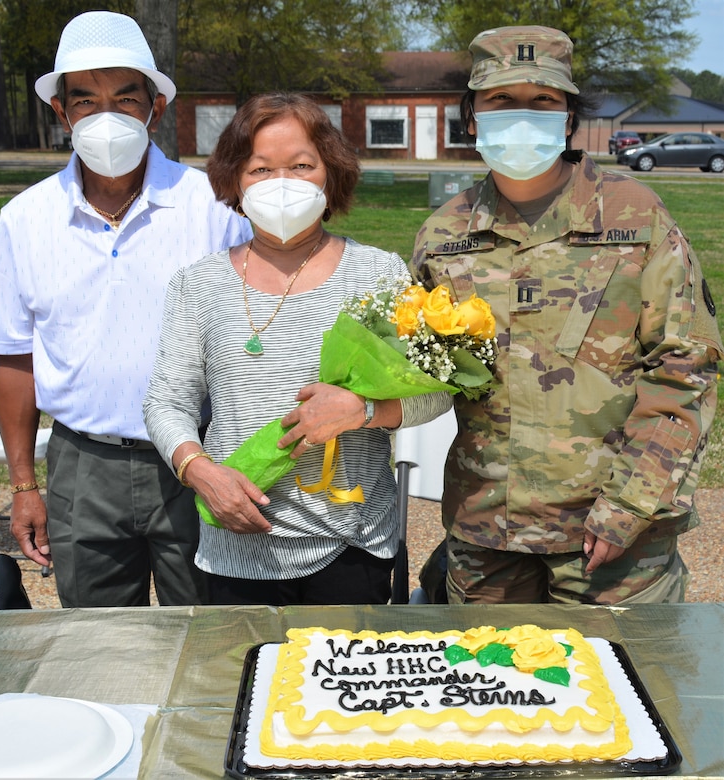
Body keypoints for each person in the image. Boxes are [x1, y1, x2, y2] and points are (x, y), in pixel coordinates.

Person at [411, 25, 723, 605]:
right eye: (502, 100)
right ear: (472, 117)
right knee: (482, 687)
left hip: (611, 541)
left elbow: (687, 368)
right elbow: (426, 376)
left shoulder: (636, 217)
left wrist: (632, 503)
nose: (522, 116)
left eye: (544, 101)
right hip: (486, 537)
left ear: (569, 118)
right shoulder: (443, 236)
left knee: (625, 687)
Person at [0, 11, 252, 607]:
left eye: (125, 98)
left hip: (199, 457)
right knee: (99, 648)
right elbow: (13, 356)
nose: (106, 117)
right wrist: (24, 484)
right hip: (83, 463)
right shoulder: (24, 220)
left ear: (154, 106)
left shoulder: (210, 205)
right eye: (86, 100)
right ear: (62, 112)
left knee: (207, 637)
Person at [143, 93, 451, 606]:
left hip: (351, 548)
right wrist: (199, 471)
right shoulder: (198, 285)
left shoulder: (378, 274)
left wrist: (367, 410)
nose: (281, 184)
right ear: (234, 184)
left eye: (302, 166)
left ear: (331, 177)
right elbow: (165, 402)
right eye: (260, 168)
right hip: (236, 546)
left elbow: (435, 395)